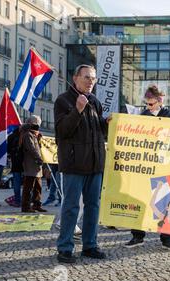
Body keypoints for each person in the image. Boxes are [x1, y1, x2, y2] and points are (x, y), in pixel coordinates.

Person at [54, 64, 111, 264]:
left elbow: (99, 132)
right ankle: (65, 248)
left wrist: (107, 124)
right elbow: (62, 132)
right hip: (74, 165)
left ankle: (90, 245)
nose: (90, 81)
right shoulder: (63, 100)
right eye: (87, 77)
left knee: (93, 207)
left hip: (95, 165)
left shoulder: (95, 101)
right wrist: (77, 110)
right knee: (70, 208)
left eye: (93, 78)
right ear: (76, 77)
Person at [125, 85, 170, 250]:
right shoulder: (143, 115)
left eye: (150, 104)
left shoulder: (169, 116)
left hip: (164, 164)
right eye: (146, 104)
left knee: (167, 202)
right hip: (146, 164)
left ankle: (167, 238)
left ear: (159, 101)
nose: (148, 107)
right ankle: (137, 235)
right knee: (140, 199)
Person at [20, 116, 47, 213]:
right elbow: (31, 148)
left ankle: (37, 204)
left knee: (38, 187)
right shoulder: (27, 135)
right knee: (29, 186)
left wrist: (39, 138)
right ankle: (26, 206)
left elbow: (38, 148)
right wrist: (38, 158)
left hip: (36, 165)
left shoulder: (35, 135)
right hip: (31, 164)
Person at [6, 126, 23, 207]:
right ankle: (26, 200)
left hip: (15, 163)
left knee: (16, 183)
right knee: (27, 183)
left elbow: (8, 150)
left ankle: (17, 200)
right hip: (24, 163)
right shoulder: (24, 135)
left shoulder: (10, 137)